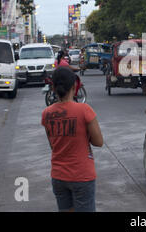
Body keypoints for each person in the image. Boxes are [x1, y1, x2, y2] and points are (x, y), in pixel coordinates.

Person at [41, 67, 103, 212]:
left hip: (58, 176)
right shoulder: (84, 110)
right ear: (74, 86)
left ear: (53, 88)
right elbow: (98, 142)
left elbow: (53, 145)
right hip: (82, 175)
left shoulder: (46, 114)